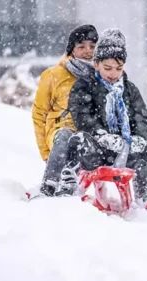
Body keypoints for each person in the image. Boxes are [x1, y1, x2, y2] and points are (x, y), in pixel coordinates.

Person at [68, 28, 147, 200]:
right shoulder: (84, 87)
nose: (113, 74)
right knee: (77, 139)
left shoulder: (129, 89)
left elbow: (142, 117)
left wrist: (139, 137)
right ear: (96, 64)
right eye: (108, 68)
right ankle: (66, 189)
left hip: (128, 152)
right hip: (98, 152)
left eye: (118, 68)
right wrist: (101, 135)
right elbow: (82, 117)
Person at [32, 24, 99, 197]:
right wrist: (46, 153)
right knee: (65, 135)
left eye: (92, 46)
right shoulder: (54, 75)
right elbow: (39, 114)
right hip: (59, 133)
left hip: (88, 135)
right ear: (71, 50)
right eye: (81, 46)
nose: (88, 51)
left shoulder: (102, 75)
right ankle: (49, 185)